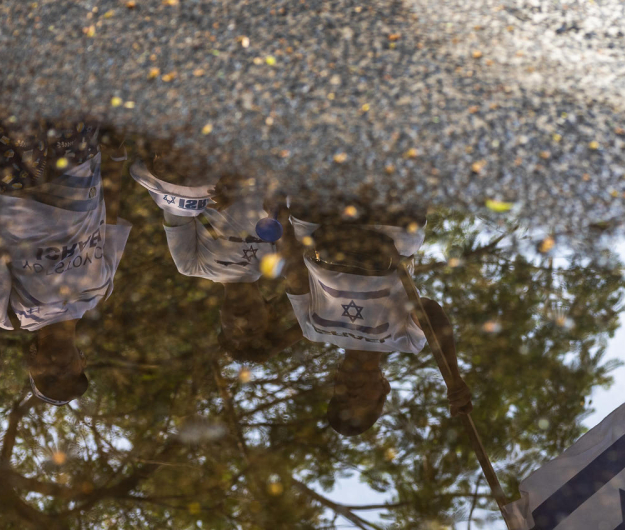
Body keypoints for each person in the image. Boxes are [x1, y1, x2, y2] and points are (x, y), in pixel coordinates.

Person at [0, 107, 131, 405]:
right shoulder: (101, 292)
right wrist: (116, 161)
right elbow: (113, 220)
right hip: (80, 170)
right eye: (70, 375)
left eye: (49, 377)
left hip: (16, 185)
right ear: (83, 362)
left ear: (31, 365)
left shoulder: (11, 317)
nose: (59, 369)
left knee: (6, 99)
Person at [279, 198, 472, 436]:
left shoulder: (312, 330)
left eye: (343, 399)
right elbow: (429, 311)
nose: (352, 394)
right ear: (384, 389)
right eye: (360, 402)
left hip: (319, 218)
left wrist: (278, 212)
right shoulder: (407, 341)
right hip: (392, 222)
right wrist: (453, 377)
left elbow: (293, 269)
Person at [130, 157, 299, 362]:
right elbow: (281, 200)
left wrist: (216, 186)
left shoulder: (191, 265)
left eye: (231, 329)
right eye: (252, 328)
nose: (240, 320)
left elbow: (171, 200)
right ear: (270, 313)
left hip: (202, 165)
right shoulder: (278, 263)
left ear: (220, 318)